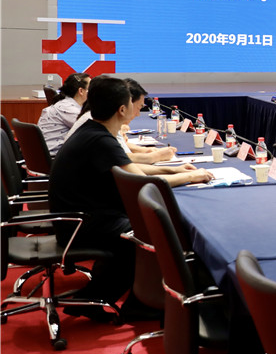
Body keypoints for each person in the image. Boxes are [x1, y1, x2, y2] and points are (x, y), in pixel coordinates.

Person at [49, 77, 212, 317]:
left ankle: (108, 298)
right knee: (149, 232)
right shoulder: (99, 140)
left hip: (82, 216)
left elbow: (132, 170)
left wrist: (175, 170)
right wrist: (191, 176)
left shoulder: (95, 131)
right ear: (122, 109)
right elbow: (143, 182)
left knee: (141, 224)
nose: (138, 110)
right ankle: (114, 301)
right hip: (79, 224)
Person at [38, 72, 90, 152]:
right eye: (91, 88)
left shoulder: (65, 104)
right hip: (55, 155)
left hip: (49, 153)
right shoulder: (69, 109)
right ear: (81, 91)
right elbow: (93, 129)